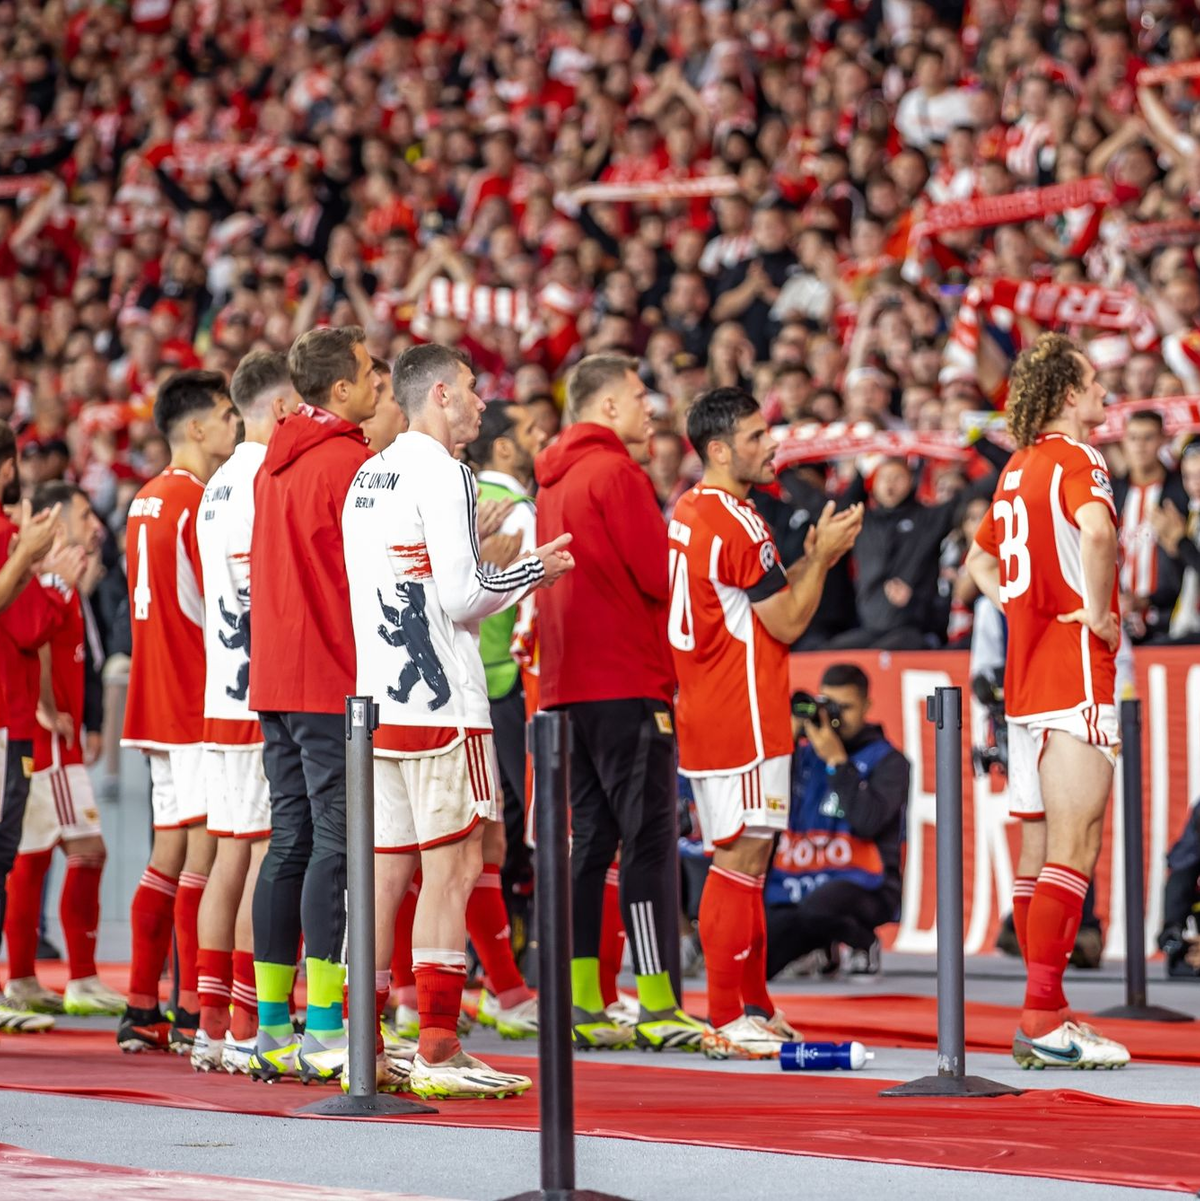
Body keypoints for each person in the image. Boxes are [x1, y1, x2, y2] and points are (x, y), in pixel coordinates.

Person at [343, 342, 573, 1098]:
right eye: (473, 388)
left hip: (378, 702)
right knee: (454, 869)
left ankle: (364, 1046)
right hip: (444, 702)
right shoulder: (446, 472)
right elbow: (462, 597)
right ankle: (439, 1048)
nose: (482, 402)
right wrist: (536, 567)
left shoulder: (368, 473)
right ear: (440, 393)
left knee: (385, 875)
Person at [668, 387, 862, 1058]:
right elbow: (787, 620)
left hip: (707, 702)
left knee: (748, 861)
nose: (771, 443)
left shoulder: (692, 507)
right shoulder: (739, 523)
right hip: (742, 708)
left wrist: (804, 558)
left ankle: (753, 1003)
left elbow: (762, 594)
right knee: (740, 860)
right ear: (720, 450)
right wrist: (825, 558)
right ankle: (727, 1014)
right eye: (756, 436)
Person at [966, 331, 1130, 1070]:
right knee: (1076, 844)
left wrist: (1018, 606)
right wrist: (1097, 611)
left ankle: (1048, 1011)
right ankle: (1041, 1015)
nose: (1104, 391)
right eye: (1093, 381)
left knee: (1037, 846)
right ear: (1068, 393)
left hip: (1026, 682)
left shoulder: (1016, 467)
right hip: (1074, 672)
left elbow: (979, 558)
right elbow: (1097, 532)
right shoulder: (1078, 457)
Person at [535, 353, 704, 1052]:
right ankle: (658, 1003)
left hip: (568, 686)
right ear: (607, 407)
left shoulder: (554, 478)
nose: (650, 408)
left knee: (592, 842)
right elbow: (658, 575)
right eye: (639, 396)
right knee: (649, 840)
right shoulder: (617, 473)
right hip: (626, 680)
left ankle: (584, 999)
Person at [247, 326, 377, 1084]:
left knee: (289, 840)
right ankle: (325, 1026)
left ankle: (271, 1027)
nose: (378, 383)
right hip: (331, 677)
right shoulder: (349, 463)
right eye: (368, 372)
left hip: (275, 678)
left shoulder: (273, 460)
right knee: (337, 841)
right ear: (341, 389)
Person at [118, 370, 238, 1051]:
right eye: (224, 415)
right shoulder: (199, 500)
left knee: (168, 853)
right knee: (204, 853)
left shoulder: (144, 499)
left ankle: (142, 1004)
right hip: (193, 696)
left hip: (152, 697)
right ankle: (192, 1006)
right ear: (195, 427)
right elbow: (218, 610)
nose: (233, 425)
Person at [191, 352, 298, 1075]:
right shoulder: (263, 478)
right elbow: (265, 589)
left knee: (230, 853)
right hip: (260, 693)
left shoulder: (217, 484)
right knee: (263, 854)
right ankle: (250, 1025)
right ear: (281, 407)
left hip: (221, 690)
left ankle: (212, 1023)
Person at [3, 482, 124, 1016]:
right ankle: (64, 978)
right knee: (65, 855)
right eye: (83, 515)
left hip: (56, 742)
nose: (94, 525)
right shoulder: (50, 577)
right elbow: (38, 643)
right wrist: (46, 707)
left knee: (37, 860)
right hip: (48, 745)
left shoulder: (62, 577)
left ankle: (31, 978)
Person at [462, 401, 549, 1037]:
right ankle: (519, 979)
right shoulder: (515, 507)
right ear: (503, 448)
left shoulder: (465, 497)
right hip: (502, 688)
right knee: (504, 837)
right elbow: (528, 609)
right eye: (529, 431)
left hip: (471, 686)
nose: (542, 437)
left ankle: (487, 979)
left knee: (480, 838)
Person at [0, 422, 85, 1033]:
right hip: (9, 718)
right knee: (10, 855)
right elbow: (30, 628)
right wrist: (46, 576)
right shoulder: (9, 536)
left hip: (15, 718)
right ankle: (19, 981)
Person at [764, 666, 909, 980]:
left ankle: (862, 940)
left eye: (845, 707)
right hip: (795, 880)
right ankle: (819, 946)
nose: (835, 718)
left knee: (820, 906)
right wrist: (785, 746)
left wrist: (838, 762)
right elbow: (767, 801)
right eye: (828, 706)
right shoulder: (804, 754)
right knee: (758, 952)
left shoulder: (889, 761)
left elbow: (868, 821)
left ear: (867, 706)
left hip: (864, 884)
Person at [1113, 410, 1185, 643]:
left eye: (1148, 438)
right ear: (1123, 442)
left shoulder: (1180, 491)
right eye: (1133, 438)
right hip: (1121, 619)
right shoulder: (1112, 492)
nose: (1140, 446)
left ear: (1163, 440)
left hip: (1168, 620)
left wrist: (1149, 600)